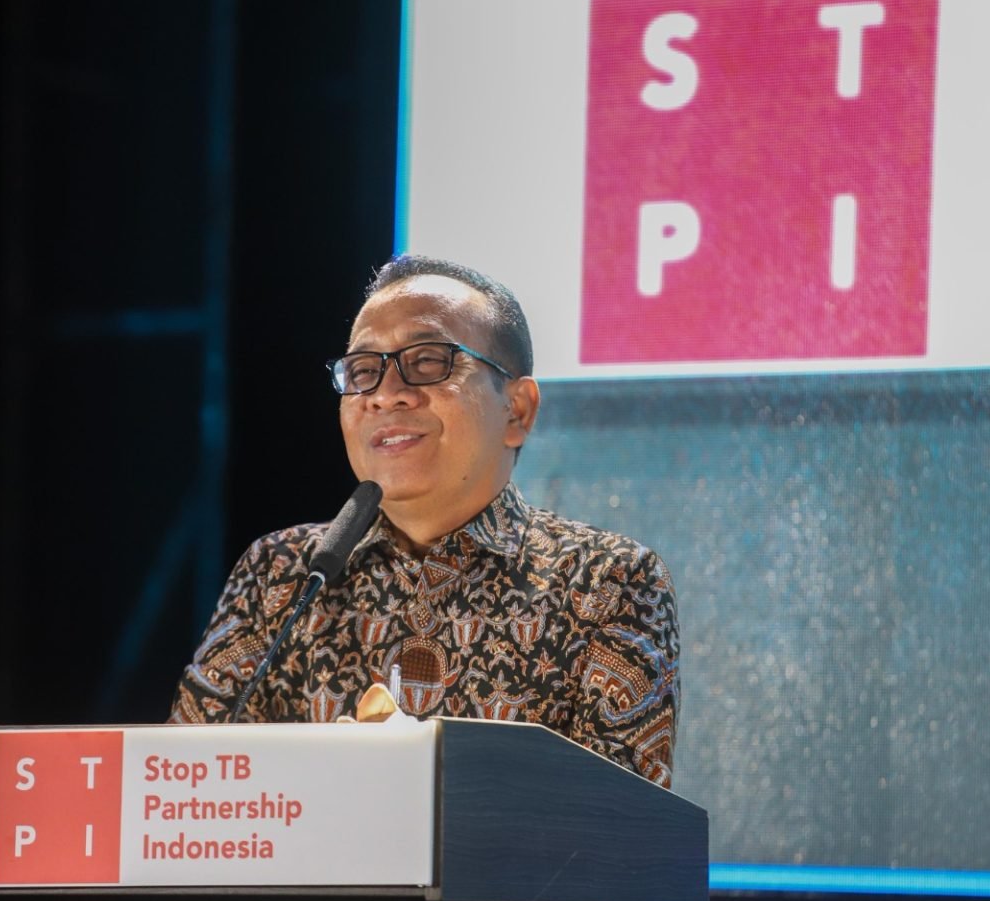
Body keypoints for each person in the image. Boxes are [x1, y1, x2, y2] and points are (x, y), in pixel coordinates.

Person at [167, 254, 678, 790]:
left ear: (517, 410)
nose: (386, 394)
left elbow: (619, 822)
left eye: (429, 361)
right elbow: (182, 790)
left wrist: (421, 774)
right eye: (364, 372)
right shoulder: (281, 574)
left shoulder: (610, 582)